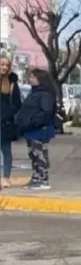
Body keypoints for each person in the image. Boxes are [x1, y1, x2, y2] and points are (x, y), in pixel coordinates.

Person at [14, 68, 55, 191]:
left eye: (33, 77)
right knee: (33, 154)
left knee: (39, 154)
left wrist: (33, 121)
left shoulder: (45, 94)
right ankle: (36, 177)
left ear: (40, 80)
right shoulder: (34, 93)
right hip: (31, 130)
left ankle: (42, 179)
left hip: (39, 130)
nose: (30, 79)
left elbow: (46, 112)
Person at [0, 56, 23, 189]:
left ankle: (6, 178)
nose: (4, 67)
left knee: (6, 151)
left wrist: (9, 114)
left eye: (6, 65)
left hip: (5, 122)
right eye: (1, 64)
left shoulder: (12, 83)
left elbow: (17, 103)